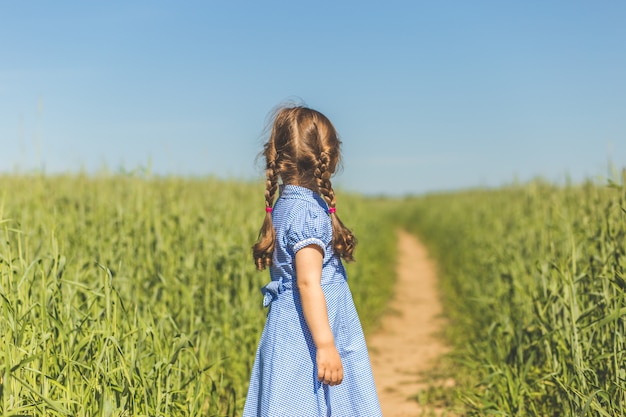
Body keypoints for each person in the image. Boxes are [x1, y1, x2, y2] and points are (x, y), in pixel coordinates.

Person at [243, 105, 382, 416]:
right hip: (310, 332)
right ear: (328, 157)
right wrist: (325, 345)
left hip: (290, 325)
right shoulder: (307, 213)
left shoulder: (285, 205)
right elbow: (308, 282)